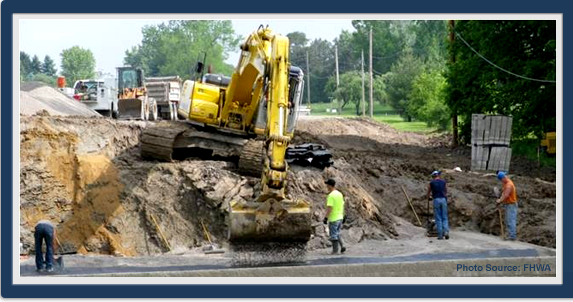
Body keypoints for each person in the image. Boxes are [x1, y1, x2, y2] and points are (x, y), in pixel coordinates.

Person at [323, 178, 346, 254]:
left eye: (327, 185)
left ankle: (335, 251)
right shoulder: (340, 194)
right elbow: (342, 205)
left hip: (333, 218)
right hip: (340, 217)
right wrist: (343, 215)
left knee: (333, 235)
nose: (326, 186)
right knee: (337, 233)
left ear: (330, 186)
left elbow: (330, 208)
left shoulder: (331, 196)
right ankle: (343, 245)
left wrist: (326, 217)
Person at [496, 171, 518, 240]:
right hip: (508, 204)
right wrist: (500, 199)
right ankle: (509, 234)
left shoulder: (509, 185)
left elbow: (506, 195)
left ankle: (512, 236)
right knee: (508, 220)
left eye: (502, 179)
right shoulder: (506, 183)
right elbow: (504, 193)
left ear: (502, 178)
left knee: (510, 220)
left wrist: (500, 200)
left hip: (511, 204)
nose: (502, 181)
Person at [427, 170, 449, 240]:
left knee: (438, 218)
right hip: (443, 200)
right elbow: (445, 191)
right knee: (444, 217)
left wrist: (429, 197)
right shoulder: (443, 182)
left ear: (433, 176)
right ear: (438, 175)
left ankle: (440, 235)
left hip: (436, 200)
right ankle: (446, 231)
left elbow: (428, 192)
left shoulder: (431, 183)